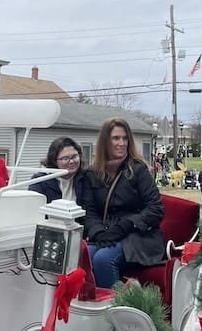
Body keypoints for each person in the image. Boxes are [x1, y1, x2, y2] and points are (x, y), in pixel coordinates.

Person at [81, 118, 165, 288]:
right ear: (105, 141)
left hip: (138, 235)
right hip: (106, 233)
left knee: (103, 259)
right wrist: (98, 232)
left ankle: (116, 311)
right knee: (85, 255)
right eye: (116, 138)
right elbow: (89, 210)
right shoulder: (92, 173)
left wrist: (126, 226)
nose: (121, 143)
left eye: (125, 138)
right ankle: (90, 307)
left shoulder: (138, 170)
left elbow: (155, 208)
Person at [29, 137, 86, 204]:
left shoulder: (85, 177)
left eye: (74, 156)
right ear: (54, 161)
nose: (71, 161)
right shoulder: (40, 181)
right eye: (65, 158)